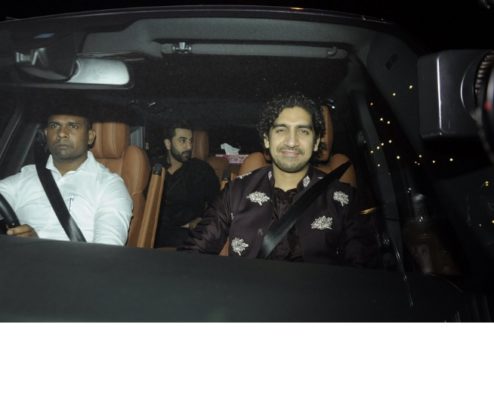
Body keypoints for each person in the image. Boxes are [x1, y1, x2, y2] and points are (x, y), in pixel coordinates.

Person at [180, 93, 379, 266]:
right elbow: (192, 254)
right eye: (281, 130)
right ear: (267, 139)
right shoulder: (236, 192)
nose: (291, 142)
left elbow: (363, 276)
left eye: (303, 131)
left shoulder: (344, 200)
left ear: (316, 141)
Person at [0, 107, 132, 245]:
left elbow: (106, 252)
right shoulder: (24, 178)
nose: (62, 133)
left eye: (73, 126)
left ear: (90, 136)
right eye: (54, 126)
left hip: (74, 259)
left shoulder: (109, 186)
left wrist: (38, 248)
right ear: (46, 134)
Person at [154, 121, 220, 247]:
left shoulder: (201, 170)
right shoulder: (155, 168)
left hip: (187, 234)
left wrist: (201, 219)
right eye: (182, 141)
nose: (189, 146)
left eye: (190, 141)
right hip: (156, 234)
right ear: (168, 144)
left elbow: (218, 203)